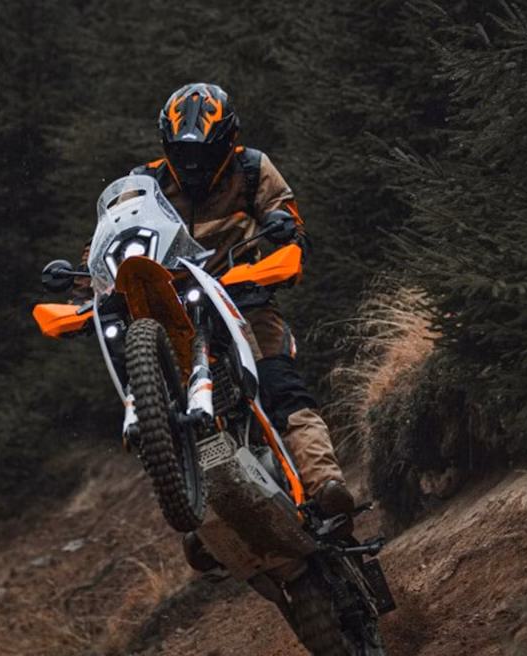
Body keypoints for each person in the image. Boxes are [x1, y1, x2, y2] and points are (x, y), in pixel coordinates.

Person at [114, 83, 355, 568]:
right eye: (184, 152)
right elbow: (112, 237)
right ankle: (205, 519)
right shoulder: (143, 183)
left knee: (280, 385)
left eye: (205, 151)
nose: (195, 162)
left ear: (229, 140)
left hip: (243, 293)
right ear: (167, 145)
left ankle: (325, 483)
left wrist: (284, 227)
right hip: (174, 307)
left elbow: (287, 215)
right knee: (165, 414)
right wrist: (88, 278)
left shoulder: (251, 168)